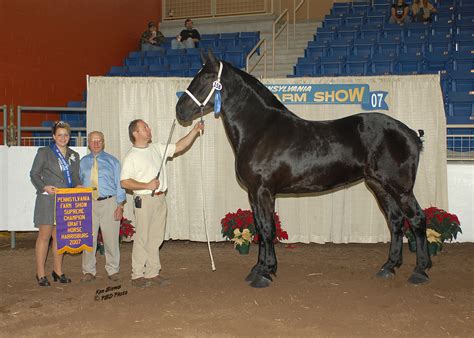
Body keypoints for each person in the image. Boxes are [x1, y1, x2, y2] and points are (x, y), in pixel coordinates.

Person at [120, 119, 204, 288]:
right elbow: (124, 182)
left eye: (148, 127)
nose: (149, 129)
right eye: (145, 128)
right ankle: (137, 274)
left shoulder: (157, 148)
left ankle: (152, 272)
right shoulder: (131, 156)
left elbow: (179, 146)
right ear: (135, 133)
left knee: (156, 237)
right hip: (143, 199)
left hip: (160, 198)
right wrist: (146, 185)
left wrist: (194, 131)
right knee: (143, 237)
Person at [30, 121, 81, 287]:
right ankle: (40, 273)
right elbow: (34, 174)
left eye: (66, 135)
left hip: (65, 201)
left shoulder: (74, 155)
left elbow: (75, 179)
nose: (63, 138)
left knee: (59, 237)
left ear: (69, 136)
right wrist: (43, 186)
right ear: (53, 137)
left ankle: (58, 271)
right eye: (59, 135)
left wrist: (78, 186)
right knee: (44, 237)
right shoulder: (44, 152)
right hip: (47, 199)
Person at [79, 131, 127, 282]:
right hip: (88, 203)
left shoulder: (113, 161)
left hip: (109, 202)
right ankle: (88, 270)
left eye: (99, 140)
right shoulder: (83, 162)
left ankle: (113, 269)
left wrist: (120, 206)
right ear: (88, 143)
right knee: (88, 238)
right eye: (93, 141)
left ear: (103, 142)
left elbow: (120, 185)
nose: (96, 143)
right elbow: (78, 181)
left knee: (111, 238)